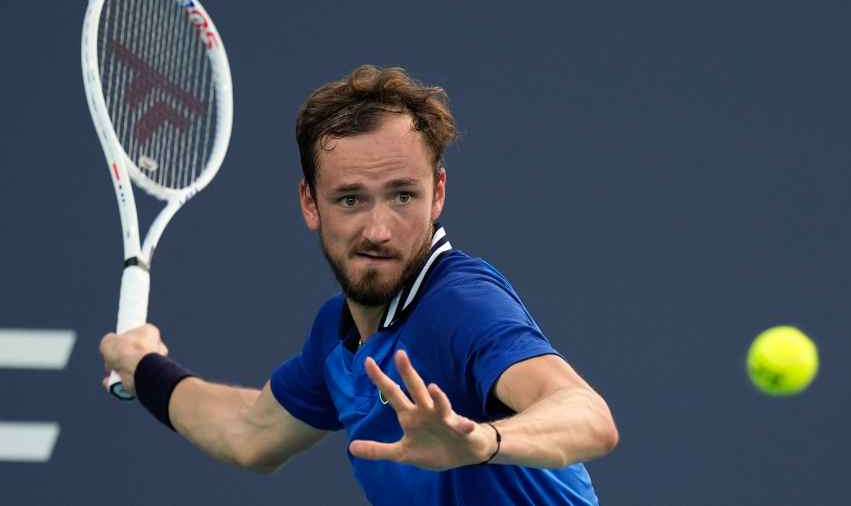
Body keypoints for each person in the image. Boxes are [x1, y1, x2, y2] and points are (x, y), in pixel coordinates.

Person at [99, 65, 619, 506]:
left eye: (402, 196)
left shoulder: (461, 307)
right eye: (350, 199)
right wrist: (144, 367)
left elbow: (588, 415)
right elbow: (250, 434)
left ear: (437, 193)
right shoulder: (336, 334)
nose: (378, 230)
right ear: (310, 203)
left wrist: (484, 440)